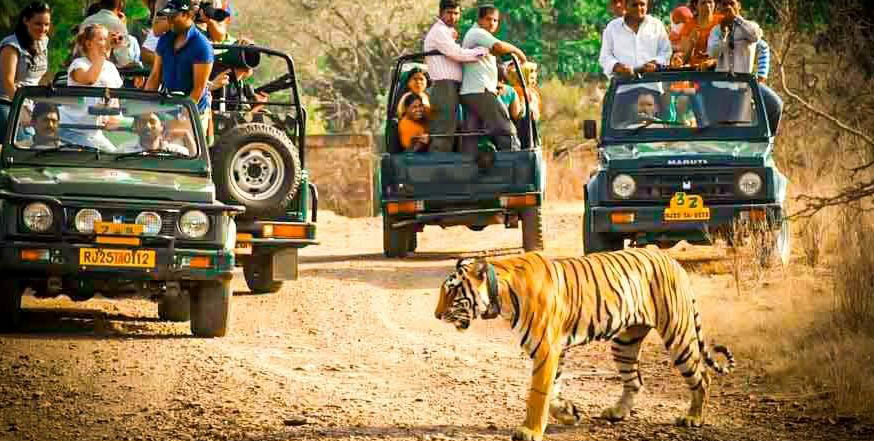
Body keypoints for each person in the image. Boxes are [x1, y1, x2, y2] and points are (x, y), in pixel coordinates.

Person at [423, 0, 490, 153]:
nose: (453, 17)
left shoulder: (447, 32)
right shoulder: (438, 31)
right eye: (449, 13)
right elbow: (457, 54)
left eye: (456, 13)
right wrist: (480, 52)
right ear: (441, 13)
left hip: (453, 86)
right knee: (444, 128)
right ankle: (437, 167)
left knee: (455, 125)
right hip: (444, 85)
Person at [707, 0, 782, 134]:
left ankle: (766, 139)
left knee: (775, 105)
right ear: (719, 8)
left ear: (739, 6)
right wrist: (724, 34)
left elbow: (755, 37)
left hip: (743, 86)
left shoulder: (749, 26)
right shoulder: (716, 30)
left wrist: (736, 19)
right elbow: (713, 52)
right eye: (724, 4)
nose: (728, 7)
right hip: (721, 87)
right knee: (725, 129)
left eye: (731, 3)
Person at [144, 0, 215, 143]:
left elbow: (198, 89)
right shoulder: (165, 39)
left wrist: (181, 119)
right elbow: (155, 76)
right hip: (168, 106)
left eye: (173, 17)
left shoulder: (202, 46)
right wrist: (145, 108)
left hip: (193, 111)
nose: (169, 21)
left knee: (187, 153)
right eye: (168, 17)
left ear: (187, 14)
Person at [459, 5, 526, 153]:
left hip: (471, 91)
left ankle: (467, 165)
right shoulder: (477, 33)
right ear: (480, 19)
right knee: (505, 128)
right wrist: (519, 52)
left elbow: (495, 53)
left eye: (495, 20)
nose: (492, 23)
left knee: (472, 132)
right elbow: (499, 47)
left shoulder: (479, 36)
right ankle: (514, 160)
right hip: (479, 91)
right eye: (488, 19)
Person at [599, 0, 671, 124]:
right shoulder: (613, 27)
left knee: (657, 136)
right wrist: (618, 67)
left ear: (647, 5)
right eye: (635, 4)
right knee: (619, 135)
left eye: (642, 4)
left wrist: (655, 63)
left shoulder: (656, 25)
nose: (639, 8)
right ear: (626, 5)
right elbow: (605, 57)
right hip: (623, 89)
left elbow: (666, 53)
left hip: (652, 88)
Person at [59, 24, 124, 152]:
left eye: (107, 39)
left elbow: (115, 100)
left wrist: (115, 118)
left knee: (115, 157)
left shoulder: (111, 68)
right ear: (89, 44)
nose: (106, 43)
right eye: (102, 39)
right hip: (71, 128)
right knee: (93, 156)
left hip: (94, 134)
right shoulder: (78, 65)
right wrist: (104, 53)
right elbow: (90, 79)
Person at [0, 2, 51, 138]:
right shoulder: (11, 46)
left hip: (30, 103)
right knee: (24, 144)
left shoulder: (44, 41)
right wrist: (20, 110)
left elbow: (40, 75)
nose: (43, 28)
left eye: (46, 24)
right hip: (7, 102)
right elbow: (8, 82)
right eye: (38, 24)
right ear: (26, 21)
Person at [121, 112, 190, 155]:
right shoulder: (123, 151)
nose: (147, 126)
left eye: (152, 121)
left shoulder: (177, 152)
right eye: (142, 122)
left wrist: (186, 134)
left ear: (162, 127)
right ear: (136, 126)